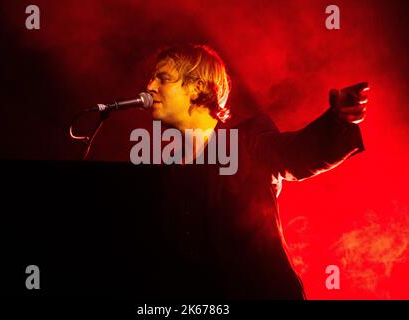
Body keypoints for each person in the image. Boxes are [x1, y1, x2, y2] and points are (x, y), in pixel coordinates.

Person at [140, 44, 368, 299]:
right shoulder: (167, 168)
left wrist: (336, 121)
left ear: (197, 87)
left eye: (162, 78)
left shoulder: (247, 140)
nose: (149, 87)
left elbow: (297, 155)